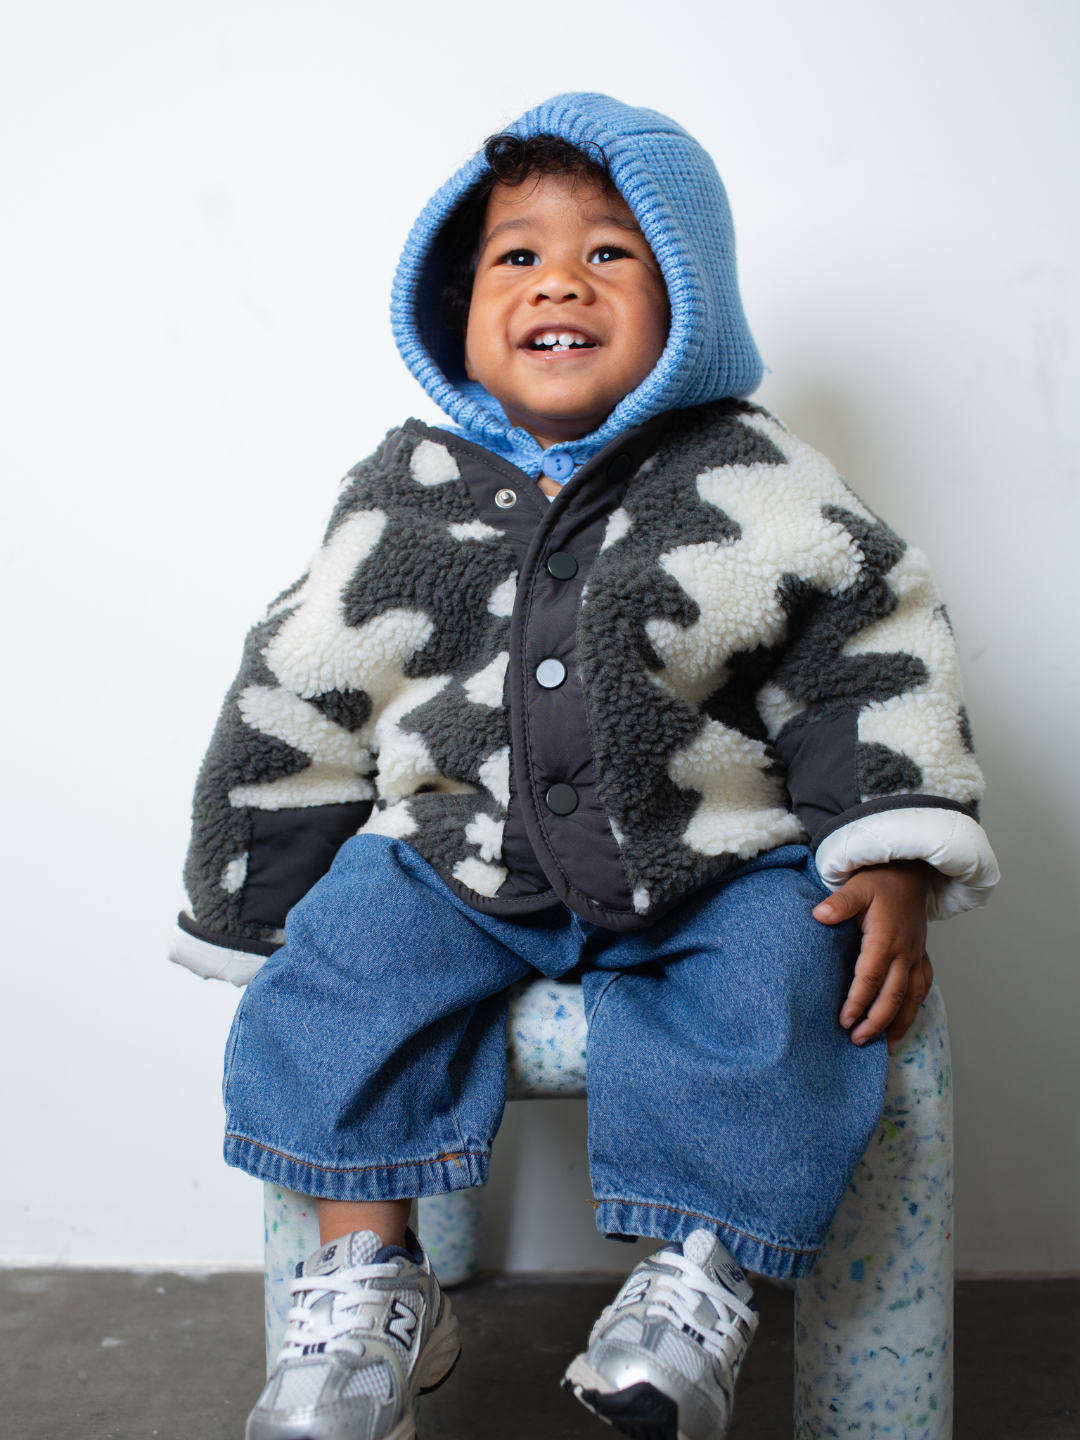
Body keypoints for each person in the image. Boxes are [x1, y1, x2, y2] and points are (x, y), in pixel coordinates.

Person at [171, 94, 999, 1440]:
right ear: (459, 303)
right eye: (518, 255)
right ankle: (368, 1277)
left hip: (708, 864)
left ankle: (694, 1285)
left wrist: (895, 853)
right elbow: (299, 676)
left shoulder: (756, 476)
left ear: (694, 300)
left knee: (794, 977)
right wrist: (257, 902)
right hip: (456, 861)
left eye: (611, 251)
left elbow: (871, 651)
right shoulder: (405, 488)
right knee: (333, 976)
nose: (561, 275)